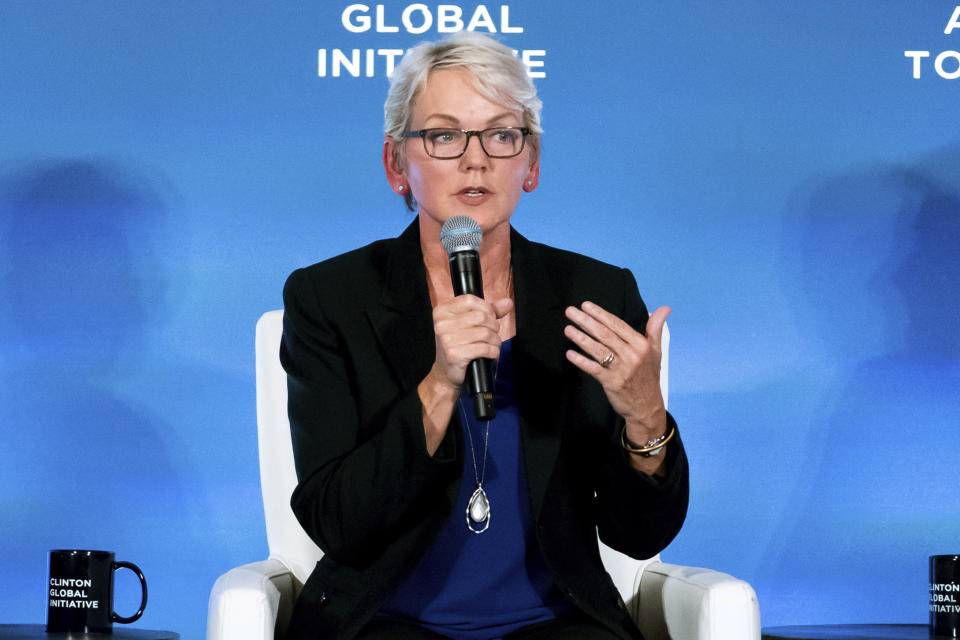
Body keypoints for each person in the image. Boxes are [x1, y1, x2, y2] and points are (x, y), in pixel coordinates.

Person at [280, 31, 689, 640]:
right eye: (444, 135)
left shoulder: (595, 292)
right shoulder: (332, 298)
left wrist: (646, 420)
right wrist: (440, 386)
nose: (477, 160)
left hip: (556, 624)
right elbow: (337, 522)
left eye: (502, 135)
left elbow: (637, 535)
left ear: (532, 165)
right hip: (386, 622)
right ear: (397, 164)